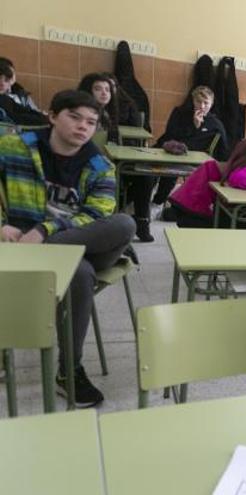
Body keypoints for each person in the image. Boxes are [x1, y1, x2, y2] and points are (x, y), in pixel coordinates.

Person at [0, 90, 135, 407]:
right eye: (74, 117)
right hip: (20, 244)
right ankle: (69, 371)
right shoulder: (12, 147)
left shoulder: (100, 165)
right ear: (52, 115)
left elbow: (97, 214)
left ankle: (49, 250)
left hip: (59, 240)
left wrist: (43, 232)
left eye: (91, 121)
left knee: (124, 225)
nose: (83, 127)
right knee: (81, 271)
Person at [129, 86, 229, 242]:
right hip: (166, 152)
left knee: (171, 174)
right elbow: (170, 135)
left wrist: (198, 128)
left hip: (189, 162)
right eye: (198, 101)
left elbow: (223, 151)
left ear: (212, 104)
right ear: (192, 100)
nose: (202, 106)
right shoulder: (179, 113)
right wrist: (192, 126)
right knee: (146, 173)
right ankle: (142, 213)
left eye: (206, 103)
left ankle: (158, 202)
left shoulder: (216, 124)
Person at [77, 72, 138, 143]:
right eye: (98, 89)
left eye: (107, 89)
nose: (104, 93)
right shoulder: (82, 113)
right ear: (87, 90)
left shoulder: (106, 113)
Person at [0, 57, 47, 126]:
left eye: (7, 78)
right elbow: (18, 118)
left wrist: (41, 115)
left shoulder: (20, 92)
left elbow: (31, 110)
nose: (3, 84)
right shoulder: (4, 100)